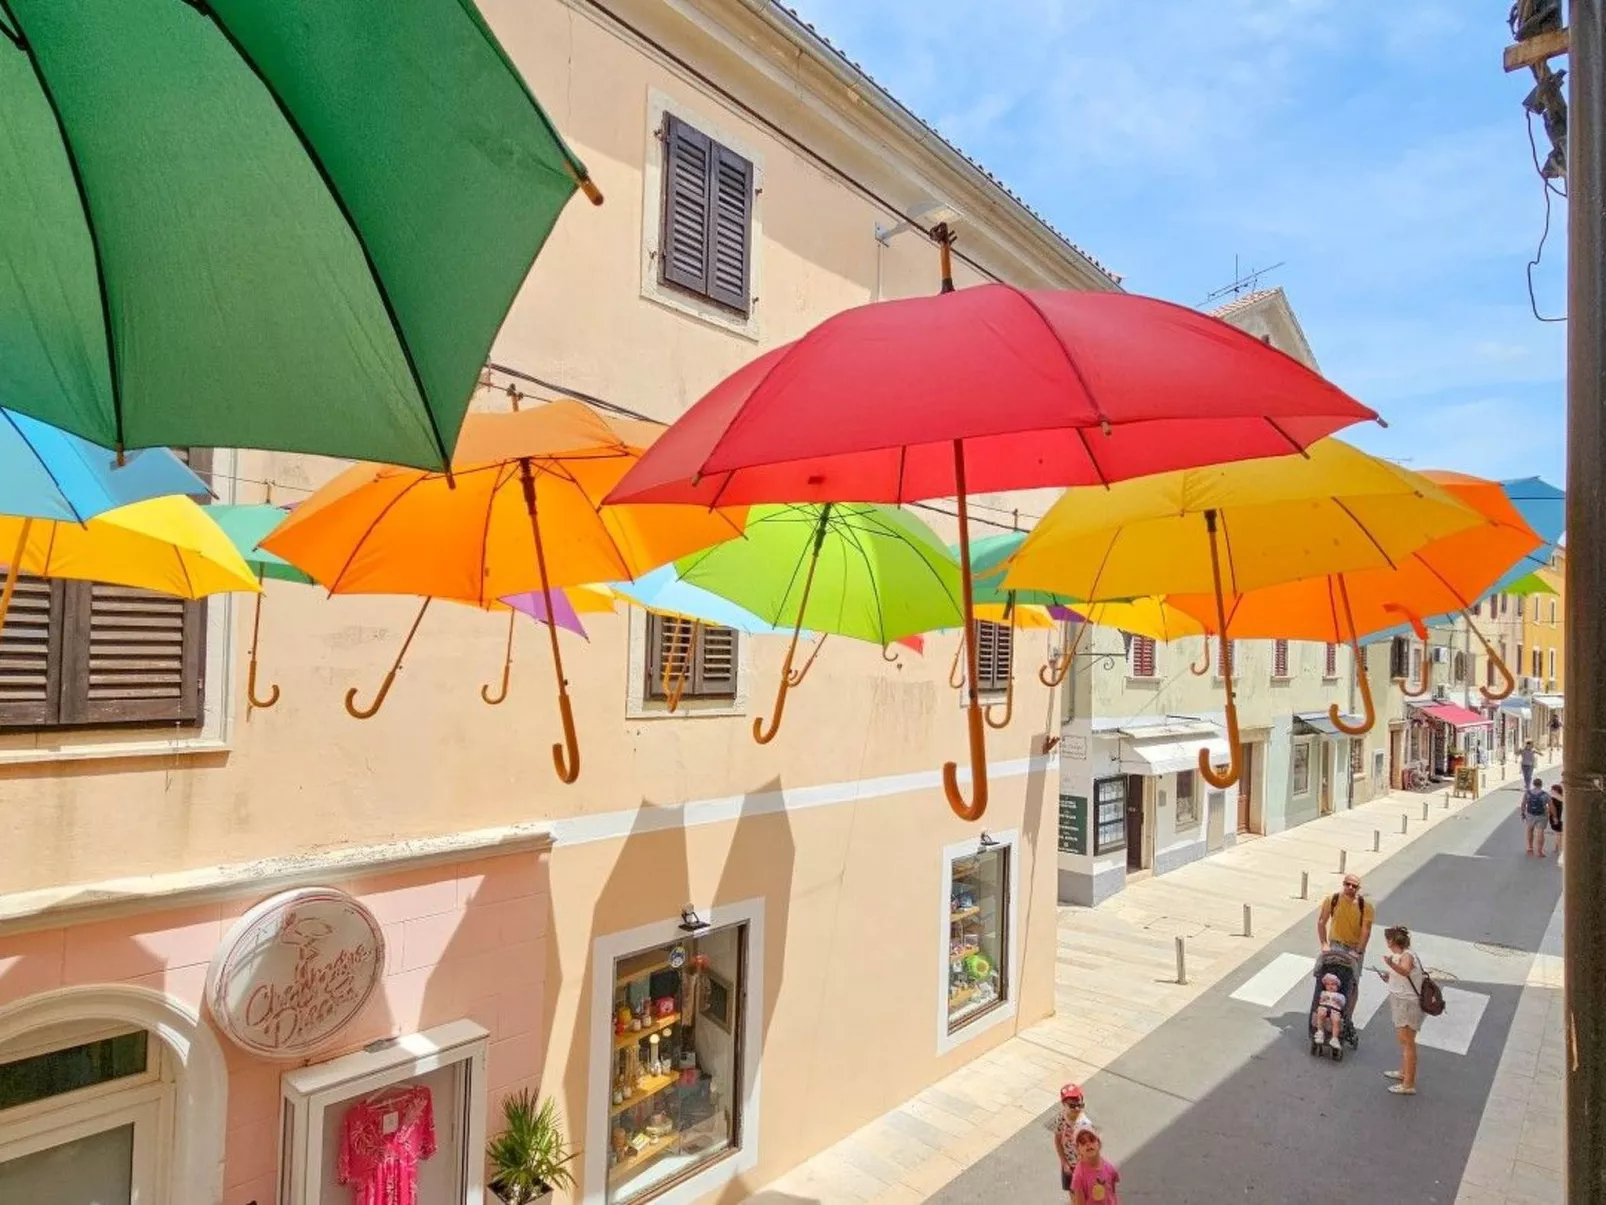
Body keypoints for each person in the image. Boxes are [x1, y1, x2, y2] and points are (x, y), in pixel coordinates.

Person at [1317, 874, 1374, 1007]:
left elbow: (1366, 931)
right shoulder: (1332, 899)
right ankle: (1326, 1010)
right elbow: (1321, 922)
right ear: (1343, 884)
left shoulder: (1365, 906)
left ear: (1358, 888)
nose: (1350, 887)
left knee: (1352, 983)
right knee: (1330, 980)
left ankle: (1348, 1017)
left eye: (1354, 886)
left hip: (1354, 948)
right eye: (1347, 884)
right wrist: (1324, 943)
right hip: (1336, 946)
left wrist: (1358, 951)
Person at [1378, 925, 1422, 1095]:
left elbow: (1404, 970)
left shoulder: (1407, 956)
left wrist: (1390, 964)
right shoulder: (1404, 955)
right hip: (1402, 1002)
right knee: (1403, 1040)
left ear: (1391, 941)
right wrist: (1390, 976)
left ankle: (1408, 1084)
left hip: (1408, 1004)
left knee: (1408, 1042)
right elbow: (1403, 975)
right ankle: (1404, 1073)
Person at [1053, 1083, 1093, 1195]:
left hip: (1084, 1165)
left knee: (1085, 1194)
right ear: (1063, 1104)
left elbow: (1092, 1148)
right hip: (1069, 1164)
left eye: (1080, 1105)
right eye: (1072, 1105)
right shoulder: (1060, 1119)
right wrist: (1064, 1163)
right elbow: (1057, 1141)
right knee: (1072, 1191)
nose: (1077, 1108)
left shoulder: (1084, 1123)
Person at [1070, 1126, 1121, 1204]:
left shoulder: (1109, 1168)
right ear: (1078, 1149)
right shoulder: (1079, 1175)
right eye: (1083, 1142)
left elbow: (1113, 1194)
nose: (1088, 1144)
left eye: (1091, 1140)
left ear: (1099, 1144)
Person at [1312, 972, 1347, 1050]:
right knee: (1320, 1013)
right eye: (1328, 985)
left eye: (1333, 985)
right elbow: (1319, 1000)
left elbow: (1343, 1003)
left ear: (1337, 986)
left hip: (1335, 1010)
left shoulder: (1340, 996)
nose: (1330, 987)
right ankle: (1320, 1031)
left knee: (1336, 1020)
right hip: (1324, 1007)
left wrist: (1338, 1001)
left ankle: (1334, 1038)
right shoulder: (1323, 993)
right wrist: (1323, 999)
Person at [1522, 776, 1552, 857]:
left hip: (1530, 814)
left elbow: (1523, 803)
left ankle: (1530, 847)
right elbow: (1551, 805)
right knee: (1540, 833)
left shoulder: (1528, 793)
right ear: (1541, 785)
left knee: (1529, 830)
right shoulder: (1545, 794)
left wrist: (1523, 812)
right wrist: (1554, 816)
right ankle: (1539, 851)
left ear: (1533, 784)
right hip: (1541, 815)